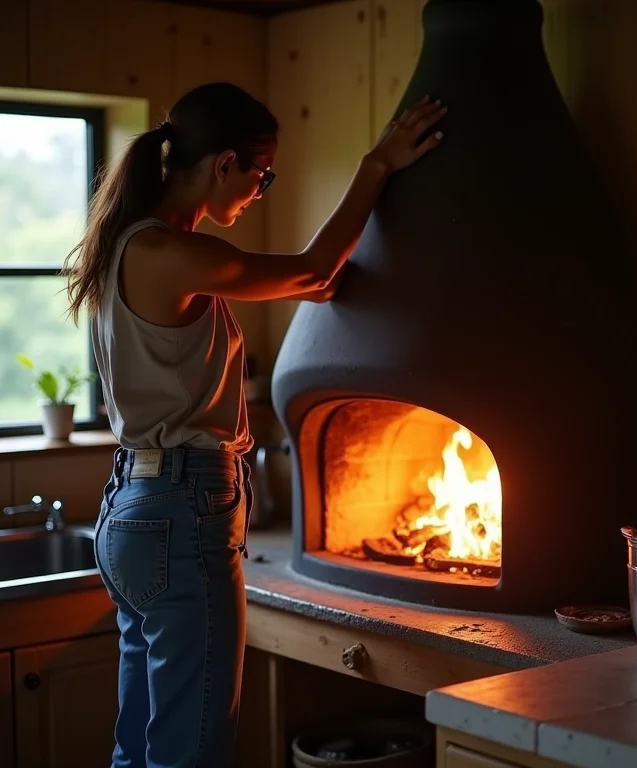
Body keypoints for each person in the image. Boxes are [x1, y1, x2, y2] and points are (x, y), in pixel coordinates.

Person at [62, 81, 446, 768]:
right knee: (192, 752)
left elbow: (308, 279)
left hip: (136, 509)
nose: (259, 189)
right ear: (223, 165)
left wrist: (312, 274)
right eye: (261, 174)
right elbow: (313, 271)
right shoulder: (170, 255)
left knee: (143, 746)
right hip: (182, 510)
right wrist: (377, 165)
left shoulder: (135, 248)